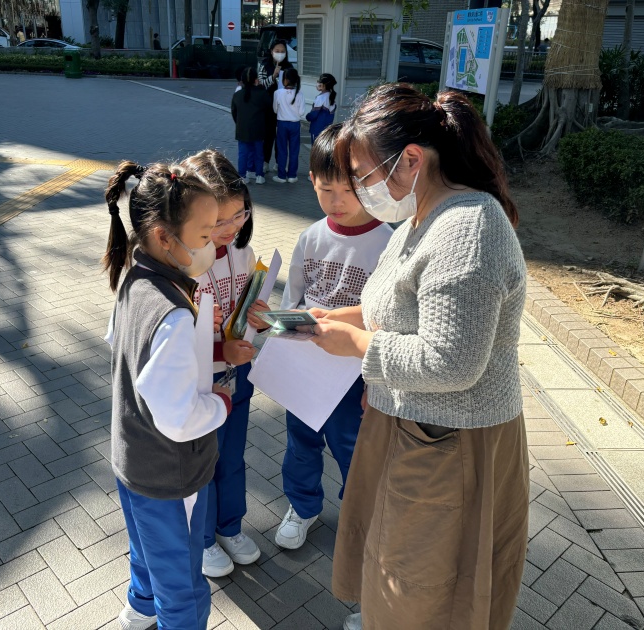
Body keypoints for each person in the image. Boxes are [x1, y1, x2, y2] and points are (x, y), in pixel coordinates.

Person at [306, 84, 529, 630]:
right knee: (397, 568)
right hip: (415, 428)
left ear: (410, 160)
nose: (360, 191)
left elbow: (451, 360)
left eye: (363, 175)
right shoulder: (422, 215)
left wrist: (357, 345)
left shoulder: (468, 227)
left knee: (423, 585)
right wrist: (338, 317)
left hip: (451, 440)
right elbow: (395, 305)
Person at [103, 159, 232, 630]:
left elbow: (118, 344)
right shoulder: (173, 313)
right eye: (204, 234)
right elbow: (179, 419)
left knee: (147, 551)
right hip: (170, 474)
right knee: (182, 583)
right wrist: (221, 402)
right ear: (164, 237)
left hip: (132, 459)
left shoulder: (135, 279)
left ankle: (139, 609)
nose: (213, 244)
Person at [275, 124, 393, 550]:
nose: (337, 202)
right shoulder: (310, 237)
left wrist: (376, 383)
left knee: (353, 450)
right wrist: (279, 343)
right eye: (327, 190)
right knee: (300, 443)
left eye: (349, 190)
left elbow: (389, 319)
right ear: (312, 181)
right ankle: (302, 506)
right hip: (307, 367)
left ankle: (358, 518)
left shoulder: (386, 243)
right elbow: (293, 299)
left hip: (355, 374)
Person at [181, 150, 270, 579]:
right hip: (200, 383)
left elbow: (245, 307)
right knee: (203, 463)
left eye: (240, 214)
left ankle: (229, 527)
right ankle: (201, 539)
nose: (231, 228)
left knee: (232, 457)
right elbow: (174, 345)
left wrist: (258, 318)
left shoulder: (242, 250)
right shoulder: (182, 263)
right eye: (219, 221)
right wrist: (221, 353)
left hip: (238, 376)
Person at [257, 39, 293, 174]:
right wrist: (273, 76)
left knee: (281, 137)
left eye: (282, 51)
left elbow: (294, 86)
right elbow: (261, 86)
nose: (280, 53)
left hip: (284, 108)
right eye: (277, 51)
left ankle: (279, 163)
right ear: (271, 51)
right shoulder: (264, 66)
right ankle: (265, 162)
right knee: (268, 135)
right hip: (267, 107)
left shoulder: (289, 67)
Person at [231, 67, 271, 185]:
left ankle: (242, 176)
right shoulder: (262, 94)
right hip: (258, 128)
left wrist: (239, 123)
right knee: (259, 153)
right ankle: (259, 175)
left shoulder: (237, 95)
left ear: (242, 80)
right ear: (256, 79)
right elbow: (269, 109)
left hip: (242, 128)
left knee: (243, 153)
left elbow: (234, 112)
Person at [272, 67, 304, 184]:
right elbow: (301, 112)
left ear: (285, 80)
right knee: (294, 150)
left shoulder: (277, 93)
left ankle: (281, 176)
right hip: (295, 124)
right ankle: (292, 176)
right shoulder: (300, 94)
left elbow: (275, 110)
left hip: (282, 124)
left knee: (282, 150)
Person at [306, 73, 337, 144]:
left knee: (315, 149)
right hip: (327, 130)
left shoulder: (320, 98)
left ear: (324, 85)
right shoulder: (331, 97)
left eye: (320, 82)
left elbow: (313, 115)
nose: (318, 83)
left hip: (317, 129)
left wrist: (307, 116)